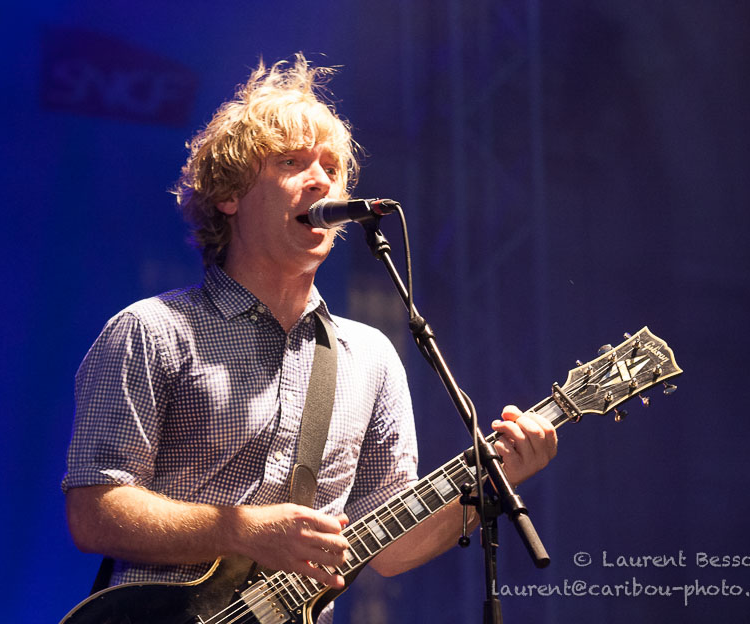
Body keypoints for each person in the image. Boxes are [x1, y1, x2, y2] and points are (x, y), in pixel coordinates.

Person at [62, 54, 557, 623]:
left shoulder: (370, 358)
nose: (322, 181)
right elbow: (93, 511)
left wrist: (495, 479)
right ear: (230, 194)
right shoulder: (151, 332)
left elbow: (393, 548)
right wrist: (241, 530)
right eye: (292, 162)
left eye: (332, 167)